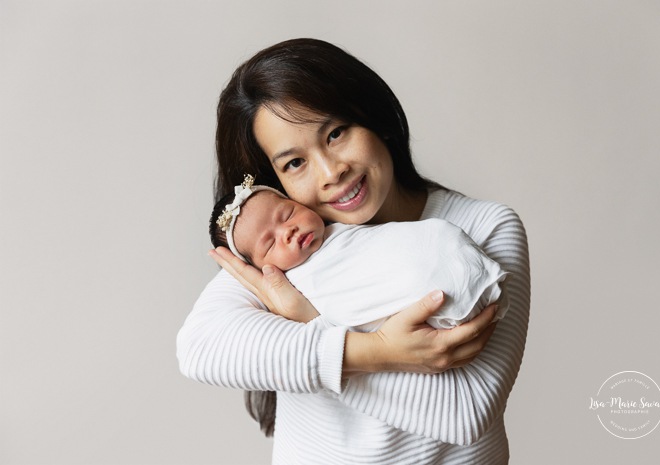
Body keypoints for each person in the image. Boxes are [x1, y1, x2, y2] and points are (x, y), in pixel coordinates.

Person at [177, 38, 530, 464]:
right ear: (273, 183)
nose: (331, 172)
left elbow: (466, 412)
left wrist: (307, 321)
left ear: (373, 116)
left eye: (336, 133)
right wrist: (377, 351)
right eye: (294, 163)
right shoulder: (288, 250)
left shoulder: (484, 228)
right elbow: (200, 348)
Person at [210, 175, 508, 330]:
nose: (286, 231)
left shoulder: (340, 225)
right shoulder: (295, 287)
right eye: (270, 243)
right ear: (260, 269)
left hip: (455, 257)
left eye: (287, 213)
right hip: (428, 313)